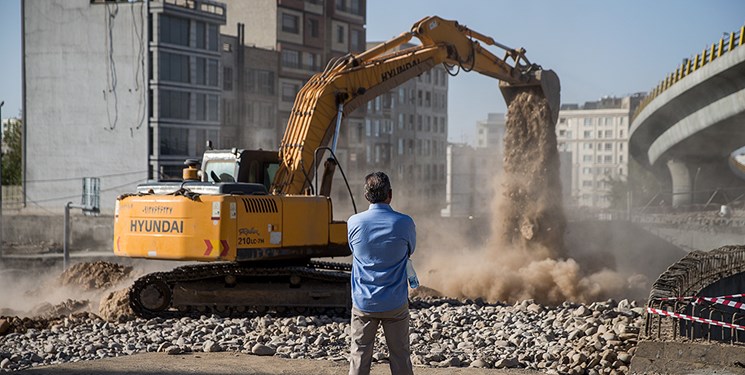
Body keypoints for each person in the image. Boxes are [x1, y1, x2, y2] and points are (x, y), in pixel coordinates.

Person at [347, 171, 416, 375]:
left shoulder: (354, 222)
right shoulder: (405, 222)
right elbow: (410, 249)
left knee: (359, 355)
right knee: (400, 355)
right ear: (390, 194)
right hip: (395, 303)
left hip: (364, 303)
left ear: (366, 195)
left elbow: (354, 249)